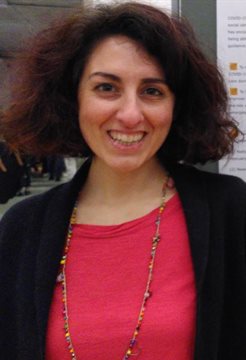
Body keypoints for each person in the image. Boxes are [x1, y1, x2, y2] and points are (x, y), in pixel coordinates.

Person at [0, 2, 245, 360]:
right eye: (106, 88)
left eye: (152, 91)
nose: (130, 114)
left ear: (177, 106)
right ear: (73, 98)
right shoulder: (22, 229)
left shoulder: (230, 212)